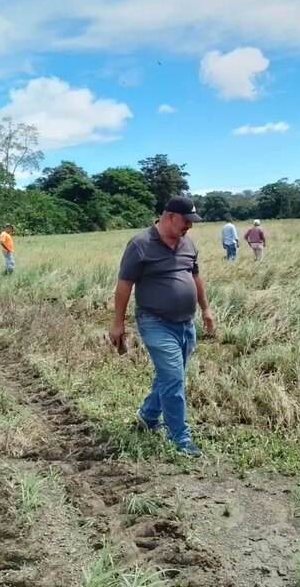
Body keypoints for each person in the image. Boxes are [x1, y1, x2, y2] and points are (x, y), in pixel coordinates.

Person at [108, 196, 216, 458]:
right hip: (155, 322)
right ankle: (180, 439)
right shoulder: (140, 245)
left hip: (185, 323)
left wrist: (205, 309)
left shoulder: (187, 243)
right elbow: (124, 285)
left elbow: (195, 276)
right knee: (174, 378)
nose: (189, 227)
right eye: (186, 221)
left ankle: (147, 416)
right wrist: (117, 322)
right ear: (169, 217)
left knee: (170, 376)